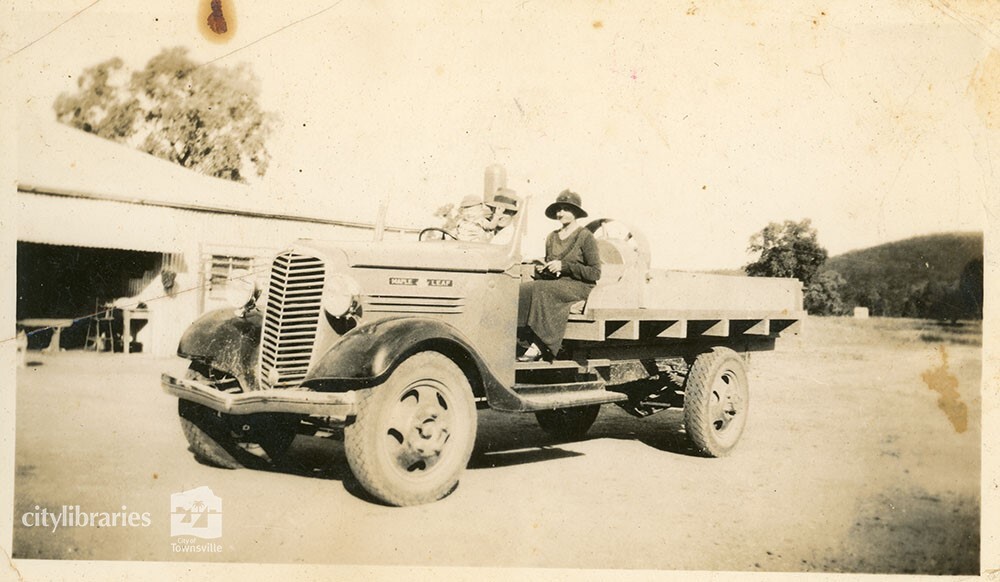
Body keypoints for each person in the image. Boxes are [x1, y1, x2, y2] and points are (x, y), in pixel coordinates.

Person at [517, 190, 601, 362]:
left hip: (580, 287)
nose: (560, 213)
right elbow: (552, 268)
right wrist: (543, 269)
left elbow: (595, 272)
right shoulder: (552, 237)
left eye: (566, 209)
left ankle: (540, 344)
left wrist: (565, 267)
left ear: (576, 212)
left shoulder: (585, 236)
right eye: (558, 209)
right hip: (556, 285)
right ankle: (521, 341)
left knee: (542, 289)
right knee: (524, 289)